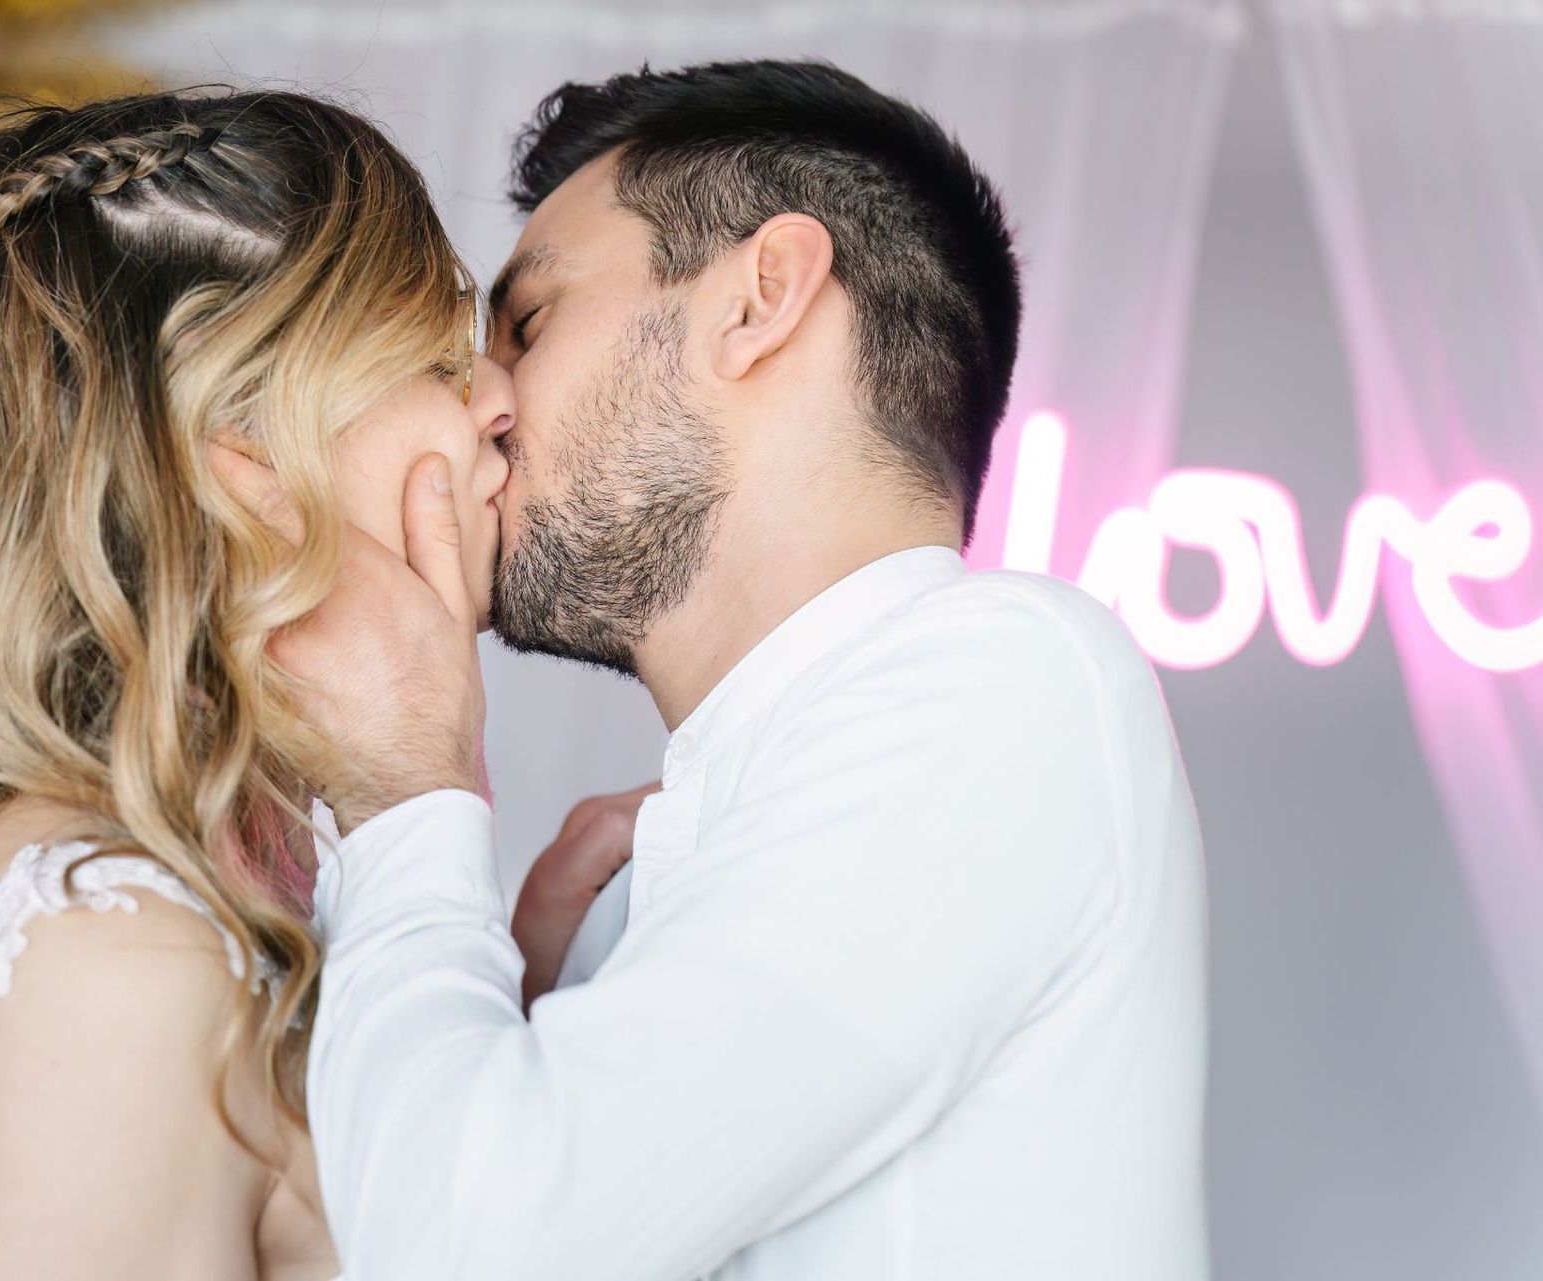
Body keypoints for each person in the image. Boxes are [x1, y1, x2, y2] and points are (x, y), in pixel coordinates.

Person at [218, 59, 1211, 1280]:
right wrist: (512, 1017)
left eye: (528, 324)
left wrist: (409, 800)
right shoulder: (645, 884)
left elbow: (486, 1245)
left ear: (761, 298)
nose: (478, 399)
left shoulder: (1011, 684)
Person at [0, 87, 525, 1280]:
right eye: (440, 359)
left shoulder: (187, 883)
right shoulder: (116, 958)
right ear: (244, 473)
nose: (499, 399)